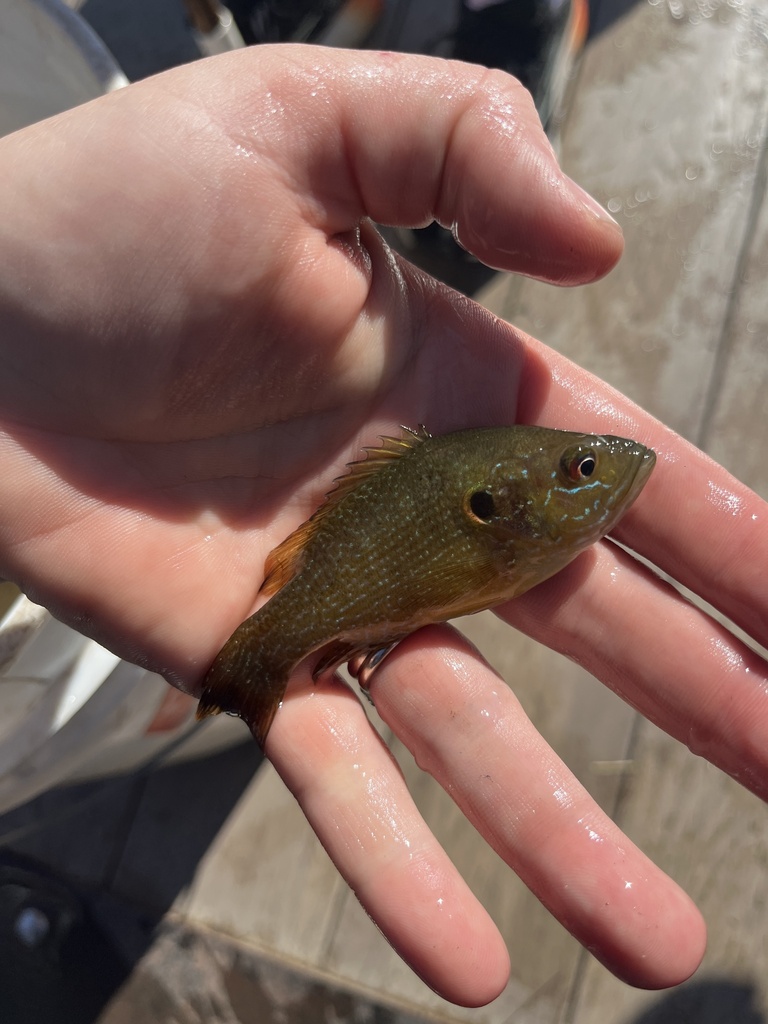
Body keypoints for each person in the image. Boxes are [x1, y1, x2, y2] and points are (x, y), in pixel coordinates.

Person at [0, 45, 765, 1008]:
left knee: (148, 711)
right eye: (579, 469)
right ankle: (229, 690)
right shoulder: (494, 516)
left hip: (67, 665)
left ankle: (213, 698)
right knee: (174, 704)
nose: (605, 473)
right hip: (71, 653)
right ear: (512, 504)